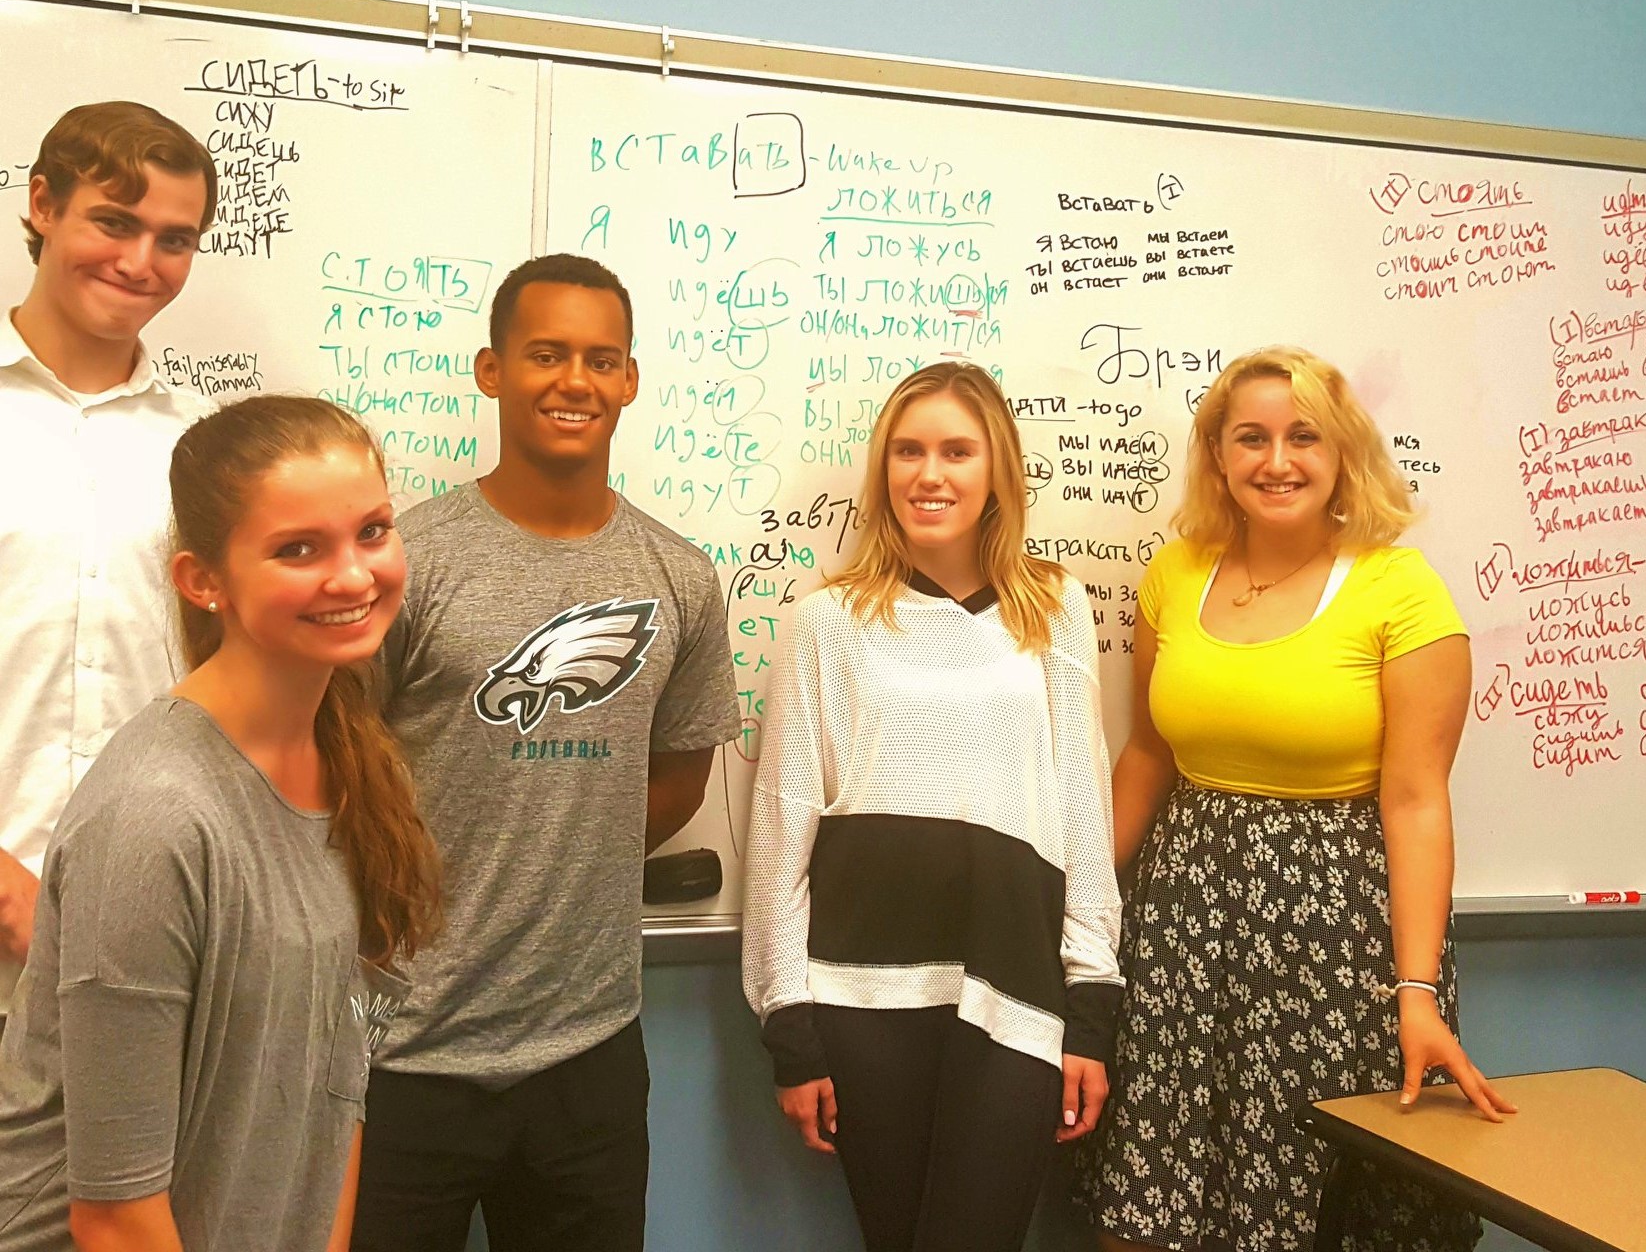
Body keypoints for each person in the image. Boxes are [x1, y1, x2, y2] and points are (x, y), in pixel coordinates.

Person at [1074, 345, 1513, 1252]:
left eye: (1304, 436)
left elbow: (1417, 804)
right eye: (1252, 438)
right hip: (1180, 926)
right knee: (1156, 1194)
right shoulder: (1176, 573)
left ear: (1342, 449)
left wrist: (1417, 992)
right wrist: (1075, 902)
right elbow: (1149, 756)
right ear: (1218, 454)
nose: (1278, 461)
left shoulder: (1400, 590)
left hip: (1335, 943)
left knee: (1309, 1197)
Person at [351, 253, 739, 1252]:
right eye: (546, 353)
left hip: (589, 1054)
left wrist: (567, 845)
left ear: (631, 379)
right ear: (492, 370)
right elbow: (339, 776)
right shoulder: (408, 563)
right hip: (405, 1050)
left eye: (602, 359)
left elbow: (680, 775)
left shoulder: (680, 576)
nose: (576, 380)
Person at [0, 395, 440, 1251]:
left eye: (373, 532)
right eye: (298, 549)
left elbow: (336, 1088)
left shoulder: (350, 766)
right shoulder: (154, 819)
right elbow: (116, 1219)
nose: (354, 576)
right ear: (202, 581)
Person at [744, 361, 1123, 1252]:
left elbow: (1082, 807)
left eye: (957, 451)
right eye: (908, 452)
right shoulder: (828, 620)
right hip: (861, 998)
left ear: (998, 471)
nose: (930, 474)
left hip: (1015, 992)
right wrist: (788, 1025)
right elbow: (782, 824)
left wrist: (1093, 1001)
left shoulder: (1055, 608)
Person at [0, 102, 217, 1012]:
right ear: (43, 204)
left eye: (175, 239)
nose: (139, 262)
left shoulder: (204, 451)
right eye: (114, 222)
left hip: (144, 941)